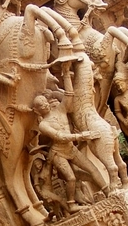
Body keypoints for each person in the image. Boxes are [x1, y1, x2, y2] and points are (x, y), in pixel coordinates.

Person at [33, 61, 109, 210]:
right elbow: (59, 136)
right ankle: (71, 204)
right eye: (41, 105)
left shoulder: (59, 110)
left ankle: (108, 190)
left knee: (92, 169)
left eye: (45, 102)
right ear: (37, 111)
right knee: (71, 178)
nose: (45, 105)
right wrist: (82, 136)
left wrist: (66, 74)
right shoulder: (43, 124)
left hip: (70, 149)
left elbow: (69, 96)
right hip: (58, 153)